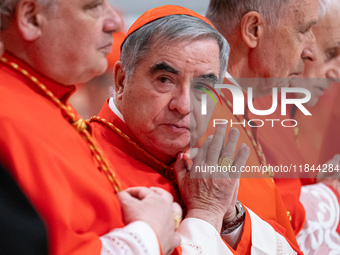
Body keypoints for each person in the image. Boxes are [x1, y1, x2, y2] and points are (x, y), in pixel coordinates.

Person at [91, 5, 302, 254]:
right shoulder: (85, 162)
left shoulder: (218, 165)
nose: (183, 106)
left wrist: (231, 220)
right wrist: (206, 213)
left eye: (203, 87)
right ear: (122, 81)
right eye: (165, 80)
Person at [0, 1, 182, 254]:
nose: (115, 23)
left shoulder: (49, 101)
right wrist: (148, 234)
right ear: (31, 18)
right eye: (93, 7)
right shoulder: (9, 118)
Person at [203, 0, 319, 247]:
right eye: (303, 30)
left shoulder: (254, 102)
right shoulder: (198, 120)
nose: (312, 52)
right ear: (253, 30)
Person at [252, 0, 340, 252]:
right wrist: (329, 194)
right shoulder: (255, 111)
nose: (337, 71)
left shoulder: (295, 108)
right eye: (331, 53)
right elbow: (268, 220)